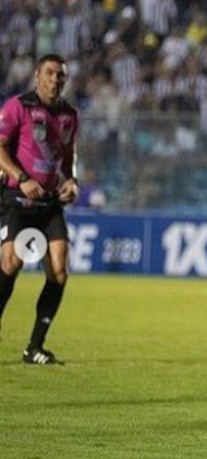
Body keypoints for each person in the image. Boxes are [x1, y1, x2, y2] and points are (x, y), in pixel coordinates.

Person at [0, 53, 80, 364]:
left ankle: (34, 346)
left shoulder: (69, 115)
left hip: (49, 204)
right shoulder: (17, 106)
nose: (55, 79)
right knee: (11, 263)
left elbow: (67, 157)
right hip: (15, 200)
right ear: (37, 75)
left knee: (59, 271)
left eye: (60, 75)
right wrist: (20, 178)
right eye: (49, 73)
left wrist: (71, 182)